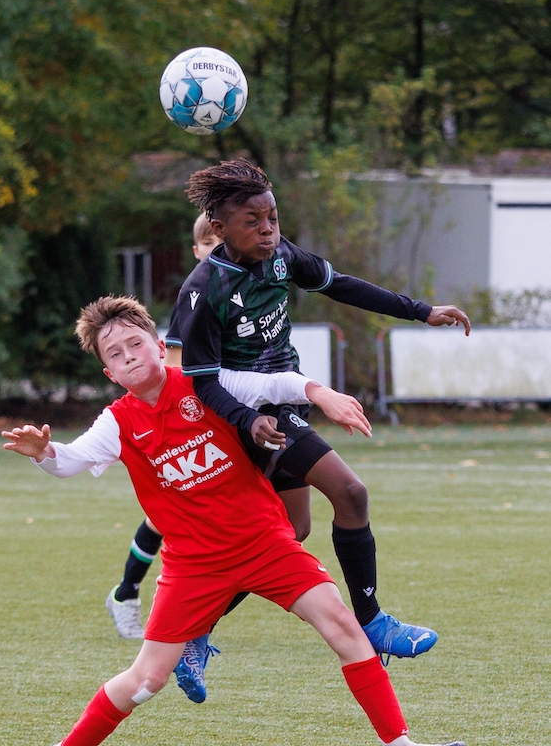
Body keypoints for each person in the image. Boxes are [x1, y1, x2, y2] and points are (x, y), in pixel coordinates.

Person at [0, 295, 466, 746]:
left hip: (266, 545)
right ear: (109, 373)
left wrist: (323, 394)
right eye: (116, 354)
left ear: (159, 345)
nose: (129, 355)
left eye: (136, 343)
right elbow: (69, 460)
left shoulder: (205, 384)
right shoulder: (118, 422)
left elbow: (276, 384)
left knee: (343, 626)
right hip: (193, 566)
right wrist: (44, 452)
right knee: (146, 680)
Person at [170, 158, 472, 677]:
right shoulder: (203, 291)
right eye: (252, 222)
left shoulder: (281, 256)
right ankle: (372, 621)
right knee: (350, 492)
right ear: (218, 228)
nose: (268, 231)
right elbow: (201, 382)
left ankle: (194, 630)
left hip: (285, 405)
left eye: (273, 218)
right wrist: (246, 420)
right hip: (245, 417)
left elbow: (342, 285)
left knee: (291, 529)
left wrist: (420, 310)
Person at [104, 213, 219, 640]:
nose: (217, 251)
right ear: (196, 251)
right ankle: (129, 593)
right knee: (165, 518)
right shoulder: (194, 297)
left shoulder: (243, 290)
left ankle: (182, 615)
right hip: (188, 422)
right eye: (209, 243)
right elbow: (171, 367)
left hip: (226, 420)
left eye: (223, 243)